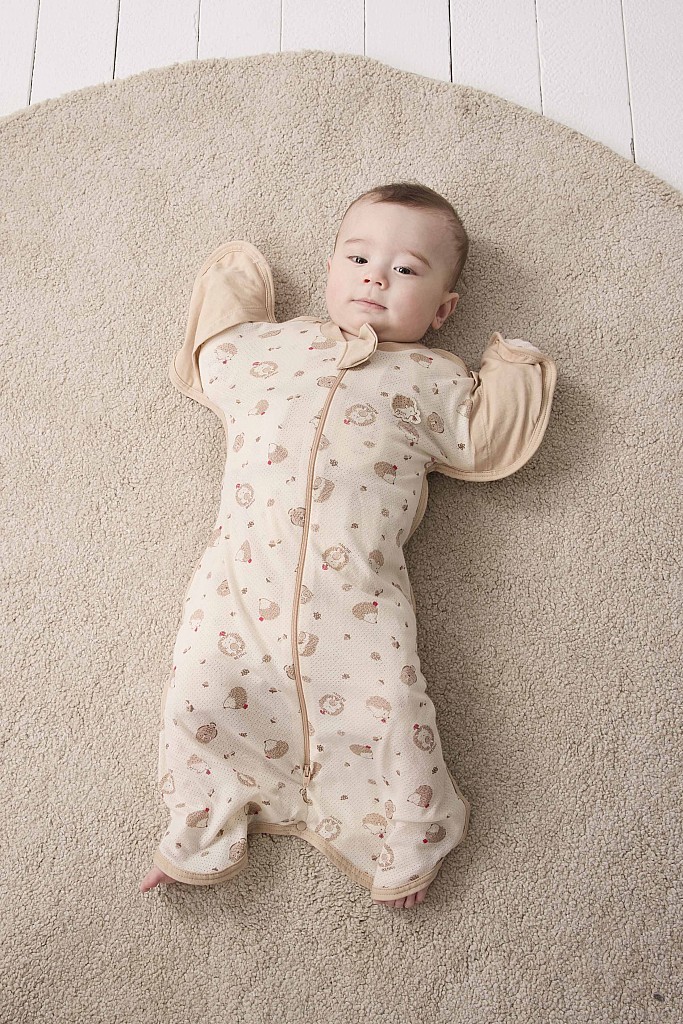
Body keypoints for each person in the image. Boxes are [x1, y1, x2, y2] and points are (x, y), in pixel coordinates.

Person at [139, 181, 557, 909]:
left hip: (358, 596)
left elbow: (487, 441)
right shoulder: (272, 347)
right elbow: (213, 350)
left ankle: (409, 834)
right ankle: (200, 825)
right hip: (239, 582)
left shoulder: (433, 380)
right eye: (358, 258)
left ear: (443, 311)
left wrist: (513, 367)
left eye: (406, 269)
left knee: (391, 703)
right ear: (331, 267)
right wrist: (235, 278)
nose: (375, 277)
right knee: (198, 692)